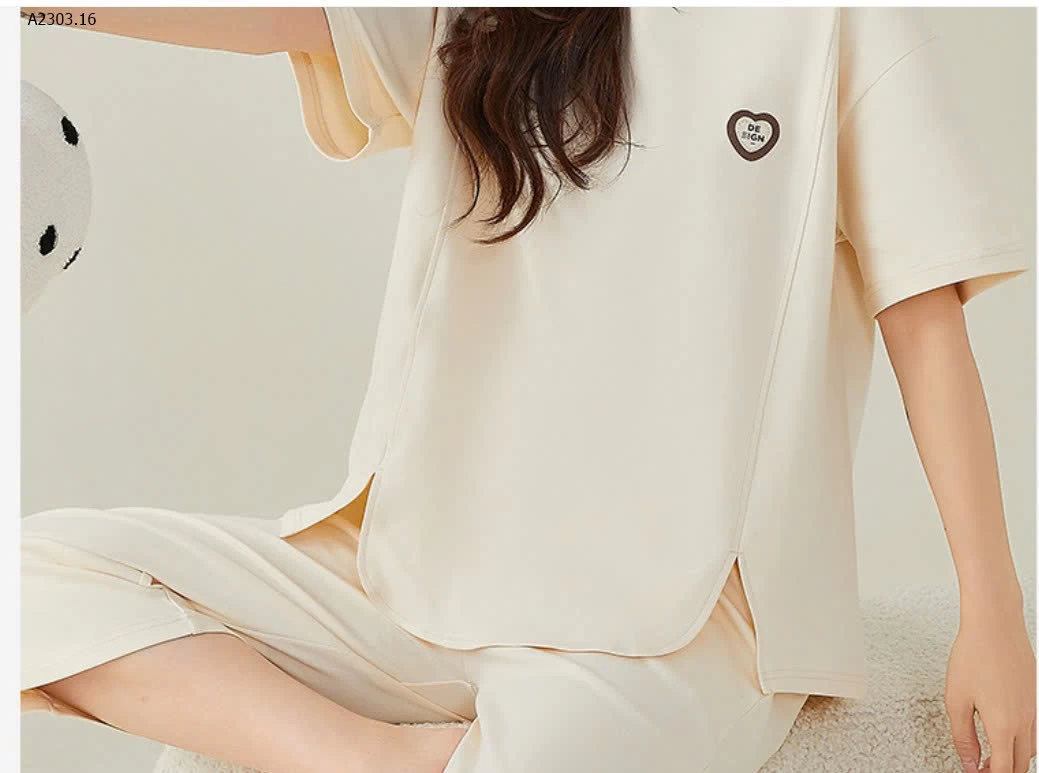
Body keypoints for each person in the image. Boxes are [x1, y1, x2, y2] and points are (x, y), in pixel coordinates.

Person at [19, 7, 1037, 773]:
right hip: (410, 575)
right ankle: (379, 759)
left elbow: (924, 322)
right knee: (29, 574)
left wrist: (992, 610)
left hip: (681, 622)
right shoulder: (492, 17)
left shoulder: (834, 24)